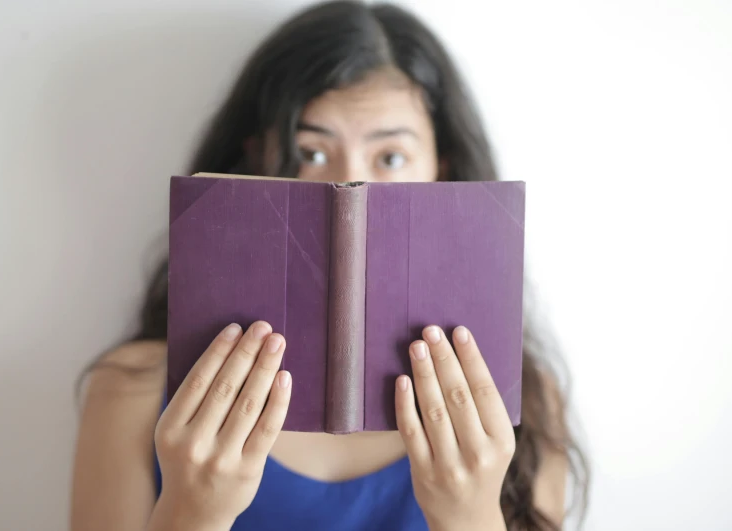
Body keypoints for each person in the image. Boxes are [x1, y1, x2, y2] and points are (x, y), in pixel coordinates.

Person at [71, 2, 590, 530]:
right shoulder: (133, 391)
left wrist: (470, 515)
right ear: (257, 159)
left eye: (390, 157)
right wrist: (191, 511)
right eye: (312, 152)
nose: (349, 186)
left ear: (442, 171)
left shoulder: (519, 405)